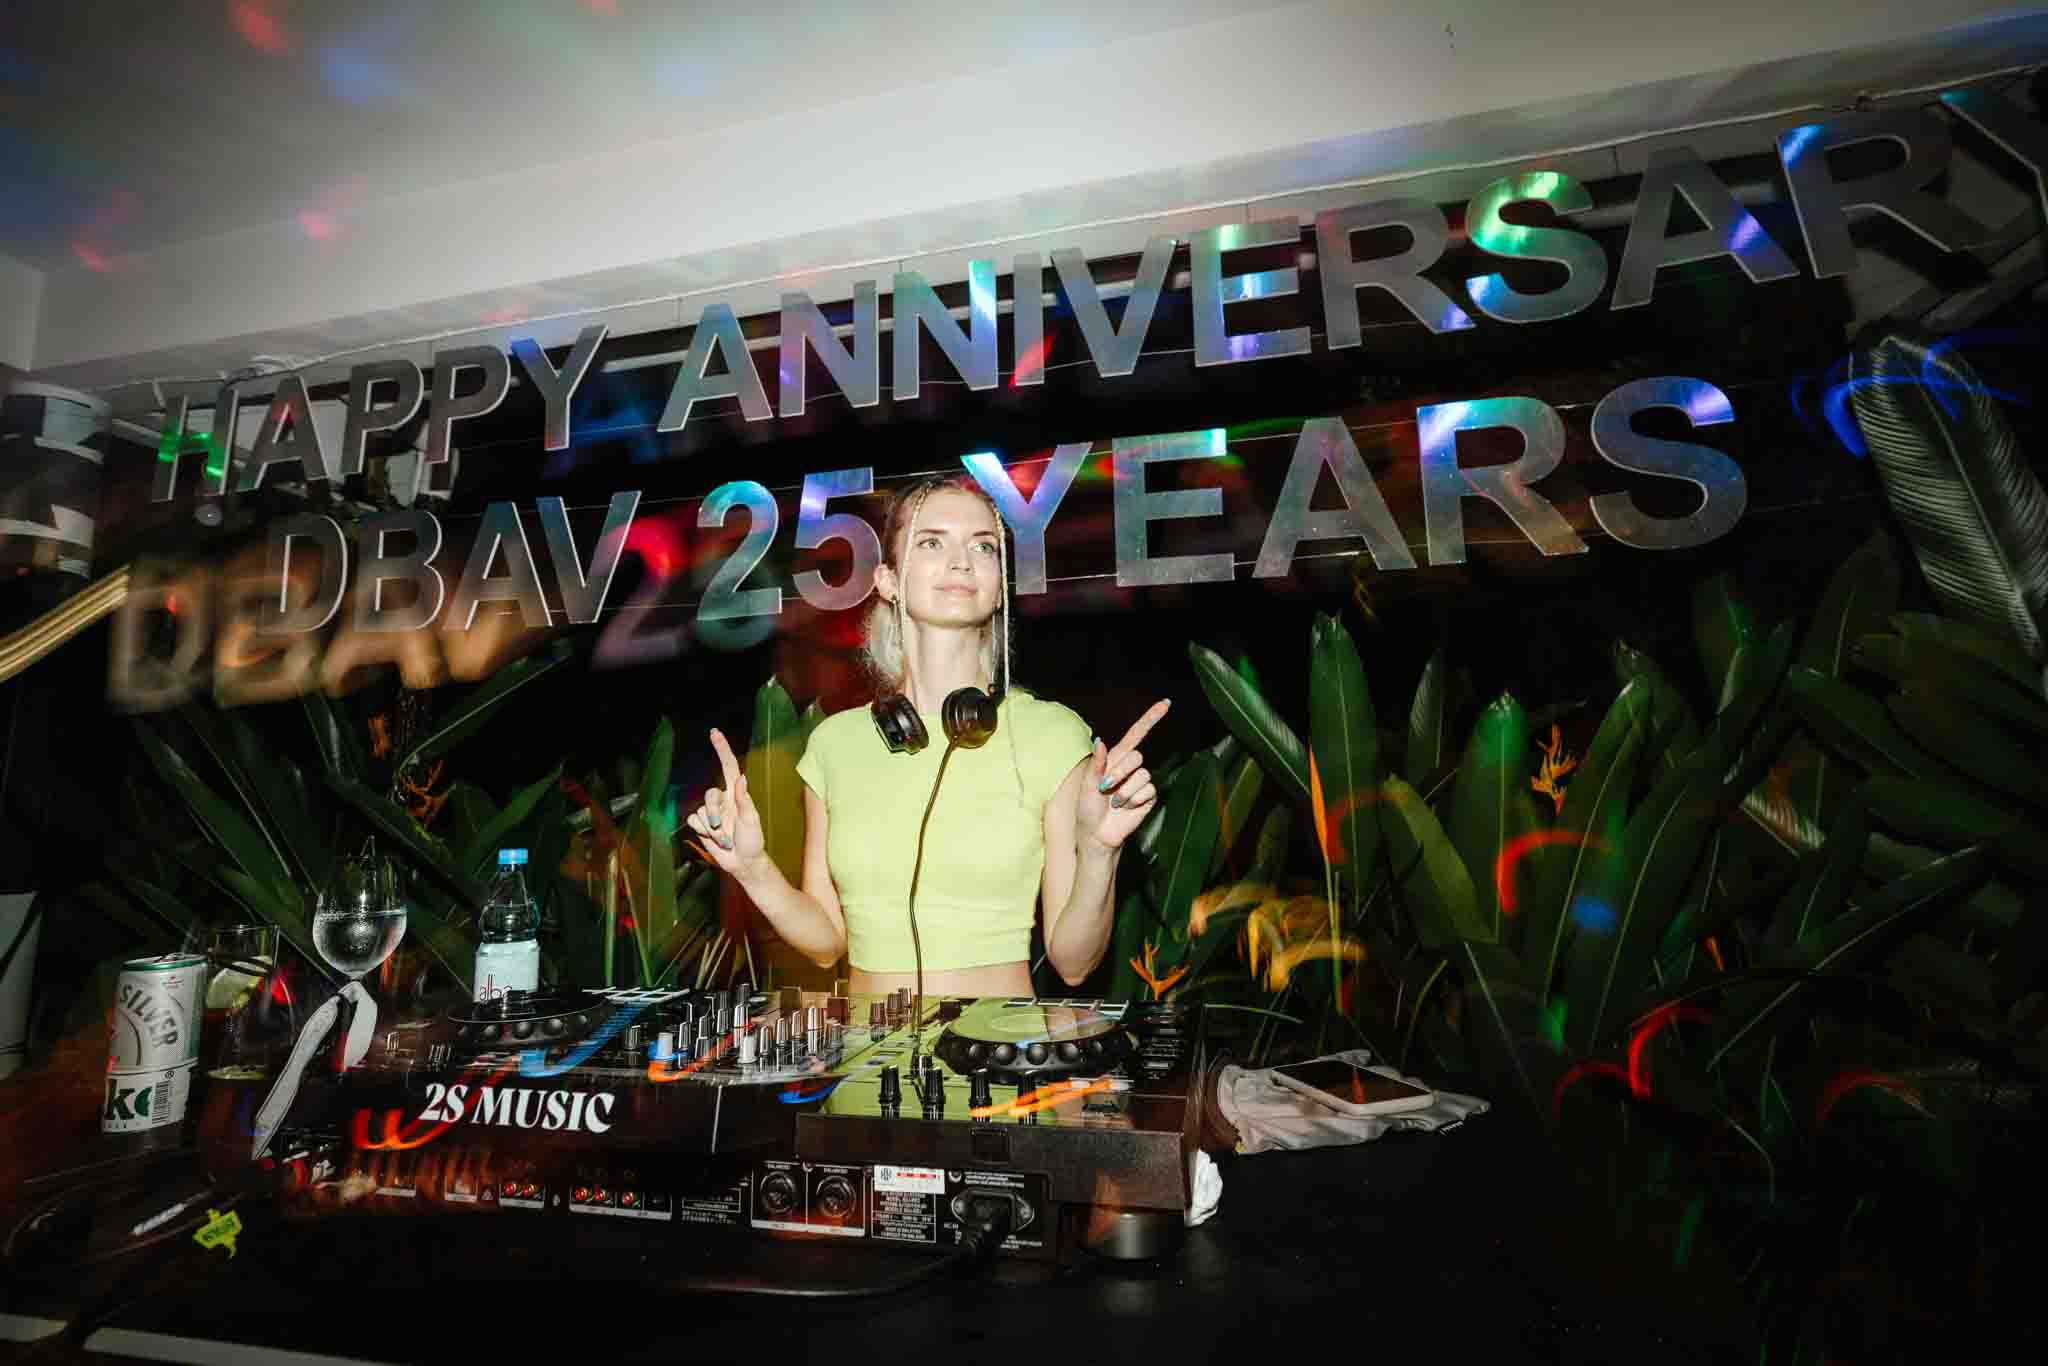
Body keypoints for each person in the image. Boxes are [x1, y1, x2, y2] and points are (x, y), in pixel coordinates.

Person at [685, 474, 1169, 999]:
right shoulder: (834, 745)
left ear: (999, 587)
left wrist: (1099, 851)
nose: (961, 562)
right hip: (865, 1046)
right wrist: (754, 869)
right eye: (932, 542)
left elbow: (1074, 963)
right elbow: (825, 943)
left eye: (983, 547)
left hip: (997, 1044)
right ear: (888, 581)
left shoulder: (1051, 734)